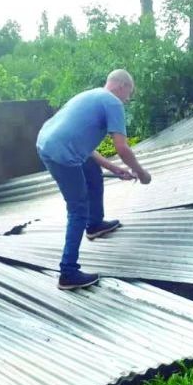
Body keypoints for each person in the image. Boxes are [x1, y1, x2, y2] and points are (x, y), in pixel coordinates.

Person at [36, 69, 151, 290]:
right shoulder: (113, 103)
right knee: (78, 208)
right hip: (61, 155)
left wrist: (114, 169)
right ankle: (68, 272)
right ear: (121, 86)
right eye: (129, 93)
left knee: (92, 172)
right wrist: (142, 173)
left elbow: (85, 150)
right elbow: (122, 147)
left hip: (46, 144)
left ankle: (95, 224)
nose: (128, 99)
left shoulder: (89, 96)